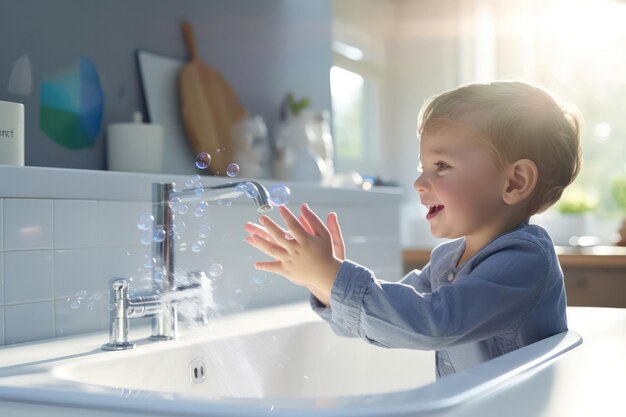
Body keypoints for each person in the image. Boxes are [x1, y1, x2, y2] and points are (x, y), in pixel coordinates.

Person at [244, 81, 582, 378]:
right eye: (423, 168)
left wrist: (334, 276)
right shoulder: (447, 260)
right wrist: (322, 281)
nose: (420, 183)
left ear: (515, 181)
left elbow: (433, 322)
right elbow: (390, 316)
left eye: (442, 166)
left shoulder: (526, 260)